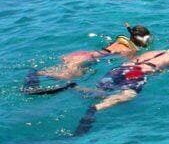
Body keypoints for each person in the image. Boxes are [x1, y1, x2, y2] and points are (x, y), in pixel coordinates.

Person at [73, 39, 169, 135]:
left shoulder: (156, 51)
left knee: (101, 91)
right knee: (129, 95)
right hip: (138, 73)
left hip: (120, 69)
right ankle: (96, 108)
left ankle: (75, 87)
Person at [22, 24, 152, 95]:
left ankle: (35, 74)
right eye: (147, 38)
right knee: (66, 78)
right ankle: (33, 76)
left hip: (82, 55)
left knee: (61, 73)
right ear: (141, 39)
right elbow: (127, 66)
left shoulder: (121, 42)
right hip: (84, 59)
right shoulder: (129, 50)